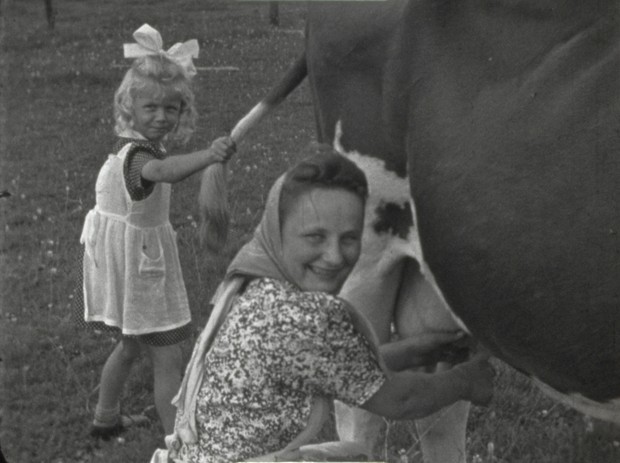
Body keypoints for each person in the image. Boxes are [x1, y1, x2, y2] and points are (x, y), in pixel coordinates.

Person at [152, 147, 494, 463]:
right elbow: (398, 400)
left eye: (349, 238)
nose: (334, 257)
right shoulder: (303, 319)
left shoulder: (250, 287)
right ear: (279, 229)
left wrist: (420, 352)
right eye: (315, 237)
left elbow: (334, 367)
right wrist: (464, 381)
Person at [74, 24, 235, 439]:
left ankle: (105, 419)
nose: (162, 117)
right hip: (140, 268)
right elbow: (163, 172)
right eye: (151, 109)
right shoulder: (139, 157)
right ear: (130, 107)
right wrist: (208, 156)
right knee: (169, 355)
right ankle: (178, 442)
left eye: (172, 108)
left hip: (124, 263)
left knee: (130, 346)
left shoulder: (126, 145)